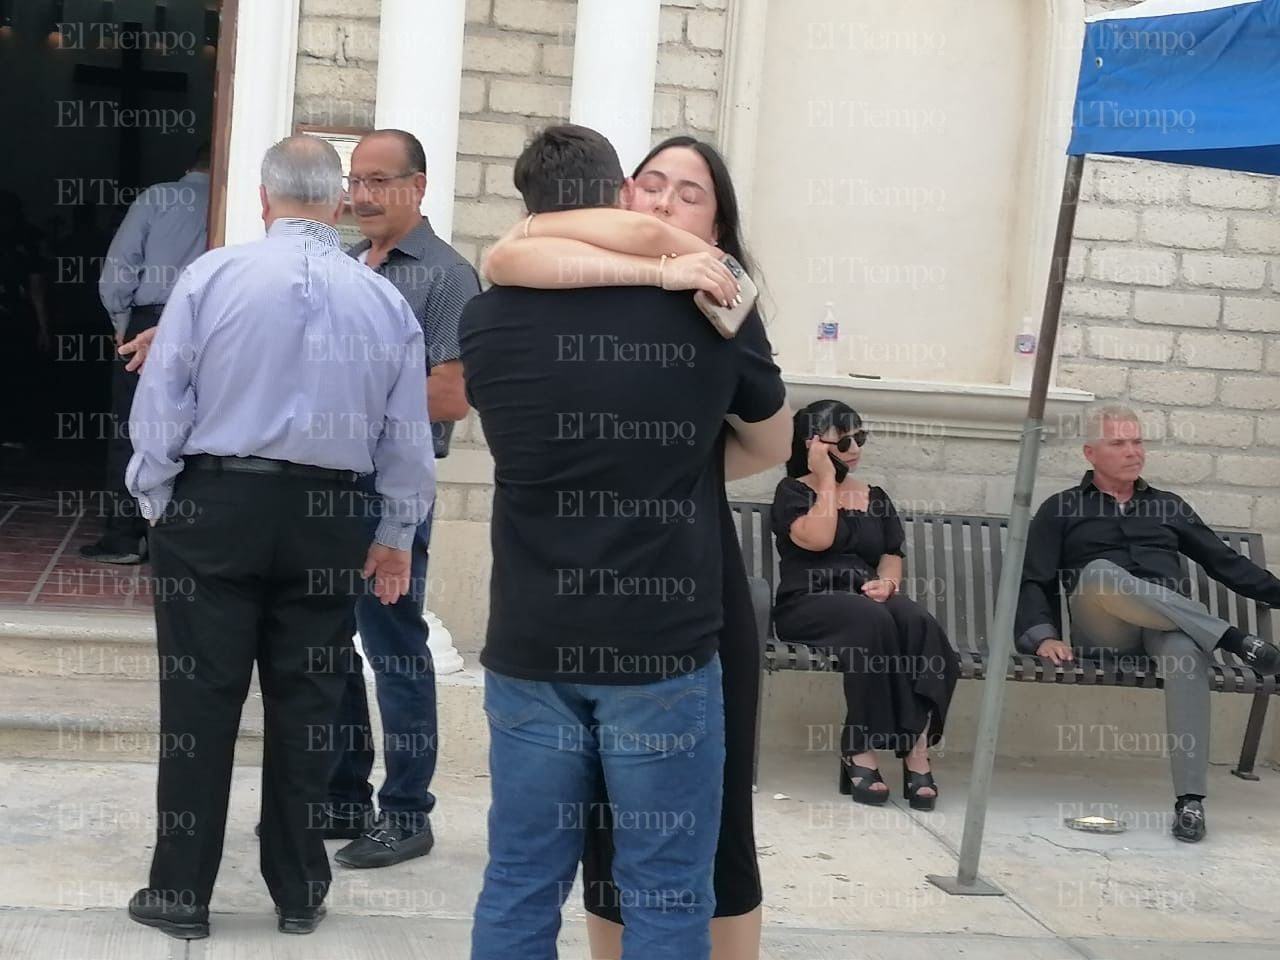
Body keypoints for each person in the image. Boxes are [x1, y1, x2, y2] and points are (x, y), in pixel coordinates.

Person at [461, 124, 790, 960]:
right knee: (669, 889)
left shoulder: (484, 320)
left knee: (520, 879)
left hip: (532, 642)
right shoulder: (711, 306)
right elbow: (771, 435)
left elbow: (510, 258)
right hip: (661, 648)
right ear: (619, 196)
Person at [123, 135, 433, 939]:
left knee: (199, 702)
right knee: (310, 704)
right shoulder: (383, 301)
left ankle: (181, 893)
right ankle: (299, 889)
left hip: (217, 503)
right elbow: (405, 433)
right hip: (331, 516)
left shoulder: (212, 276)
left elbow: (163, 401)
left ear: (263, 200)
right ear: (336, 205)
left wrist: (155, 497)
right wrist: (396, 530)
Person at [319, 128, 478, 869]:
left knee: (395, 650)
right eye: (356, 180)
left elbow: (451, 394)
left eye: (380, 181)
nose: (362, 195)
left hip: (393, 496)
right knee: (331, 648)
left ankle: (407, 812)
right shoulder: (346, 263)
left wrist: (348, 402)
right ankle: (344, 795)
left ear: (419, 187)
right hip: (327, 488)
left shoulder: (445, 276)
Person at [1016, 404, 1280, 843]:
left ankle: (1190, 802)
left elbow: (1225, 563)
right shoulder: (1060, 508)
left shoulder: (1168, 506)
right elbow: (1034, 579)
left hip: (1165, 626)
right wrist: (1042, 636)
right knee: (1100, 571)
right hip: (1103, 628)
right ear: (1090, 453)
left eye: (1137, 441)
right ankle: (1233, 638)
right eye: (1118, 443)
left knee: (1184, 654)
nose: (1133, 451)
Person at [770, 399, 959, 808]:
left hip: (866, 597)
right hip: (808, 601)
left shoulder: (874, 495)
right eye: (844, 442)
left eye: (861, 437)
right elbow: (817, 539)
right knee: (871, 622)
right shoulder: (794, 492)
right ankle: (859, 748)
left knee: (917, 623)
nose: (855, 448)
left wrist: (888, 585)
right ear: (813, 445)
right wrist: (825, 479)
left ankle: (916, 750)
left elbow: (891, 554)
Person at [83, 144, 211, 564]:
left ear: (189, 163)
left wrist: (122, 322)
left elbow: (119, 268)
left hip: (149, 321)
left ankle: (124, 536)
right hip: (214, 328)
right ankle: (180, 539)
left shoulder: (159, 197)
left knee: (132, 428)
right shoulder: (238, 199)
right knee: (200, 431)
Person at [0, 190, 53, 449]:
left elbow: (36, 287)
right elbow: (37, 289)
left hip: (17, 317)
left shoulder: (27, 240)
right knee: (20, 375)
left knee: (17, 374)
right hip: (20, 317)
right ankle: (17, 431)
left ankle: (16, 431)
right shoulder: (29, 239)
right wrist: (43, 327)